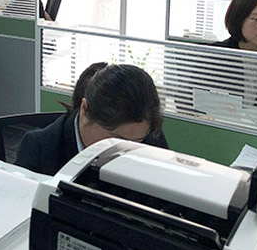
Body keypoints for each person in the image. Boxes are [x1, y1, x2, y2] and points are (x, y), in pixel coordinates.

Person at [14, 63, 167, 176]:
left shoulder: (151, 140)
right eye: (115, 140)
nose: (125, 151)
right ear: (85, 110)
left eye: (137, 141)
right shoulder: (40, 149)